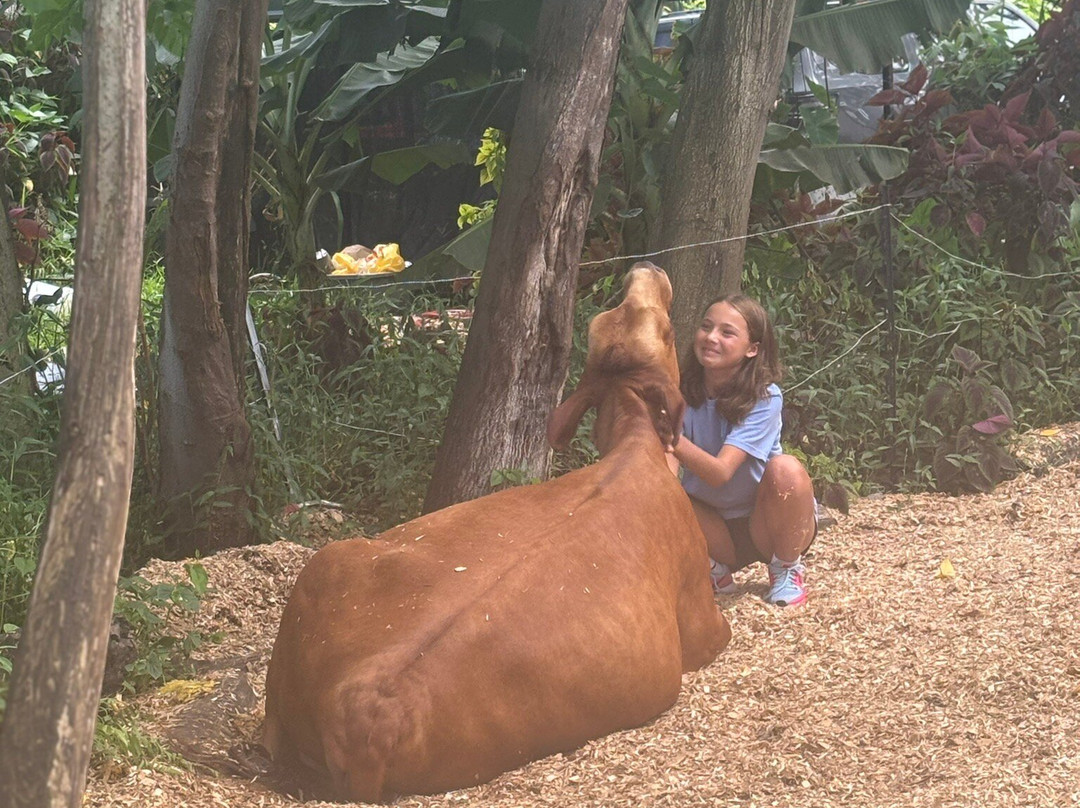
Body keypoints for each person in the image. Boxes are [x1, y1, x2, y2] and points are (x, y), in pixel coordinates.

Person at [666, 294, 816, 607]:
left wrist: (670, 437)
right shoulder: (678, 392)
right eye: (706, 327)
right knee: (657, 487)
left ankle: (786, 566)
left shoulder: (765, 397)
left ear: (752, 349)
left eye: (727, 332)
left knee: (787, 469)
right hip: (713, 528)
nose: (711, 337)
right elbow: (665, 471)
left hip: (767, 522)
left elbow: (721, 472)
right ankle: (710, 567)